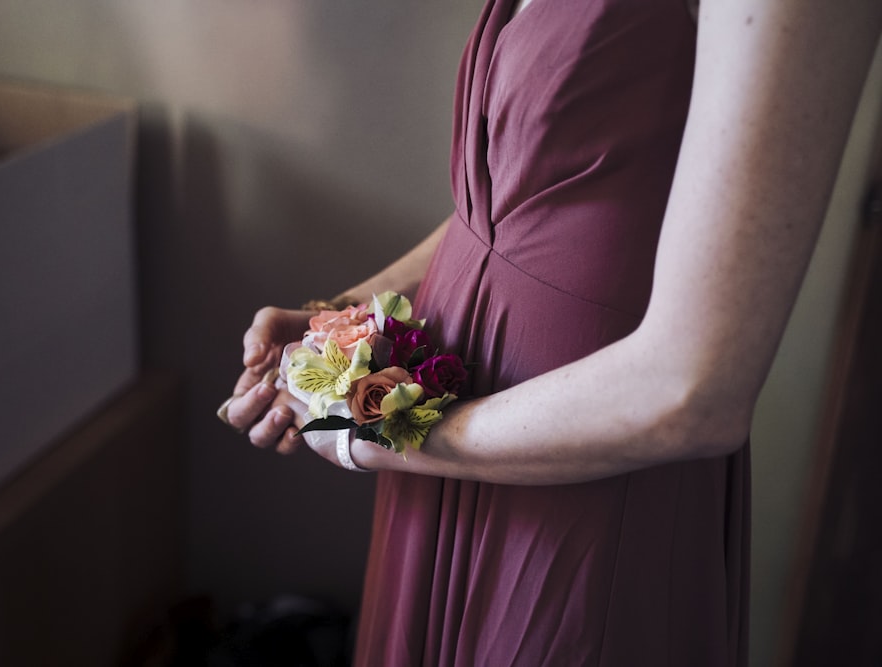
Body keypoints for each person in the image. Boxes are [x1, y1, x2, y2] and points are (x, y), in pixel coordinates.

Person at [219, 0, 882, 664]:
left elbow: (695, 393)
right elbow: (518, 201)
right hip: (441, 451)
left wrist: (383, 437)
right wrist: (348, 314)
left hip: (584, 484)